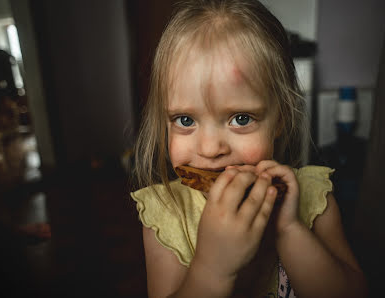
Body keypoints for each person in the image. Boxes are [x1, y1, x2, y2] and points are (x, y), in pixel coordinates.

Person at [131, 0, 368, 297]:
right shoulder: (167, 213)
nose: (210, 148)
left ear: (279, 120)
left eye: (240, 119)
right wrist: (212, 268)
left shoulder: (313, 195)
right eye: (185, 119)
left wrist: (288, 229)